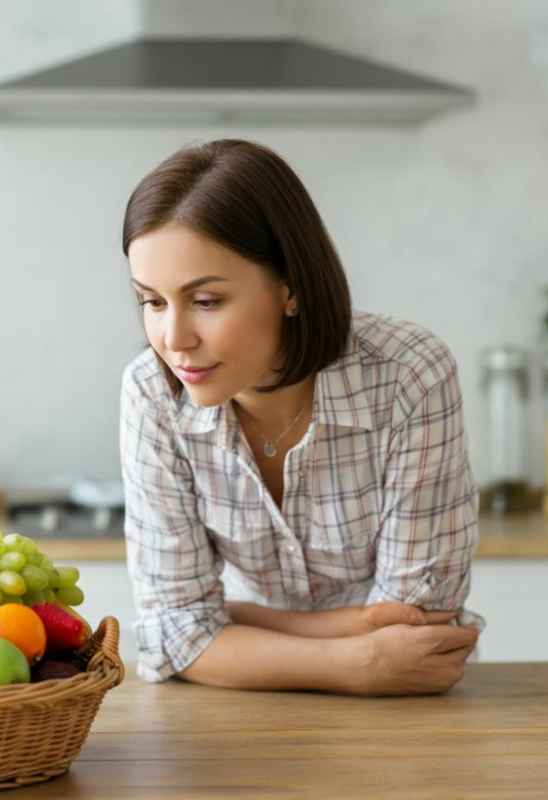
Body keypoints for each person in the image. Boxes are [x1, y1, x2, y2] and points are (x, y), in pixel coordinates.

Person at [118, 139, 485, 696]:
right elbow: (172, 635)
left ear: (290, 287)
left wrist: (233, 621)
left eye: (207, 301)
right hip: (244, 709)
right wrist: (359, 659)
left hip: (404, 713)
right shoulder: (150, 392)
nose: (174, 339)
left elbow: (420, 626)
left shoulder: (408, 376)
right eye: (153, 302)